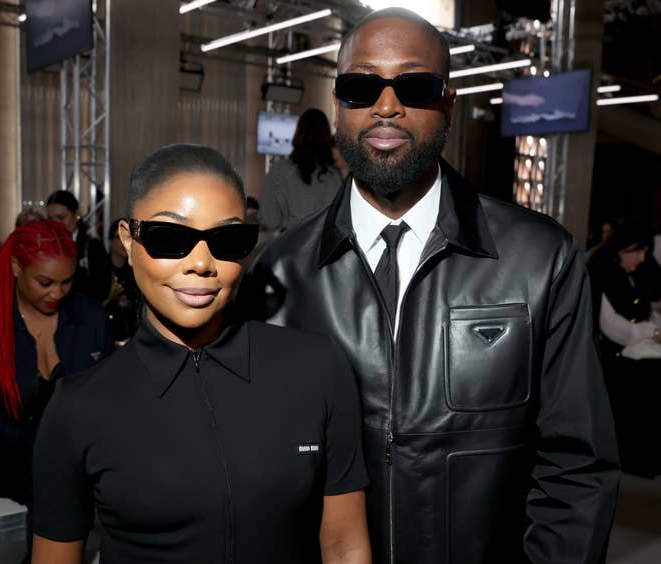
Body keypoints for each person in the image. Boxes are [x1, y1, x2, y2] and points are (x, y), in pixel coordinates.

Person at [240, 8, 619, 564]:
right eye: (361, 85)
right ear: (339, 104)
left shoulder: (540, 261)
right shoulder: (280, 274)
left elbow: (576, 468)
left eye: (414, 86)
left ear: (448, 103)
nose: (386, 105)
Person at [31, 144, 370, 564]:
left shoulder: (316, 369)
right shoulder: (79, 407)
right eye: (170, 238)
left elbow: (344, 545)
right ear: (128, 240)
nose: (201, 263)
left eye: (227, 240)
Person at [0, 218, 114, 562]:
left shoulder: (89, 318)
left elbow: (109, 395)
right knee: (52, 483)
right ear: (16, 267)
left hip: (80, 455)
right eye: (45, 282)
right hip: (1, 460)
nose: (57, 293)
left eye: (66, 281)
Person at [588, 222, 661, 476]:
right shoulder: (598, 273)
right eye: (638, 251)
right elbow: (615, 329)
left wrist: (653, 329)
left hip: (634, 348)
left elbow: (649, 312)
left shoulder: (635, 273)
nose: (642, 258)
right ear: (622, 250)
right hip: (610, 356)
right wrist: (653, 332)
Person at [259, 108, 343, 233]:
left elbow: (270, 219)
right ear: (326, 136)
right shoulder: (334, 177)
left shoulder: (278, 171)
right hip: (321, 247)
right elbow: (339, 221)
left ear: (298, 132)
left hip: (288, 244)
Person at [46, 190, 111, 301]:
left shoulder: (93, 247)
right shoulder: (46, 247)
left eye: (61, 218)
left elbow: (102, 289)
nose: (56, 224)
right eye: (51, 219)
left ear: (76, 215)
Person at [104, 218, 138, 344]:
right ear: (110, 241)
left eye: (130, 238)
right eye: (119, 238)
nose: (124, 242)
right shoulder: (101, 270)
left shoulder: (136, 270)